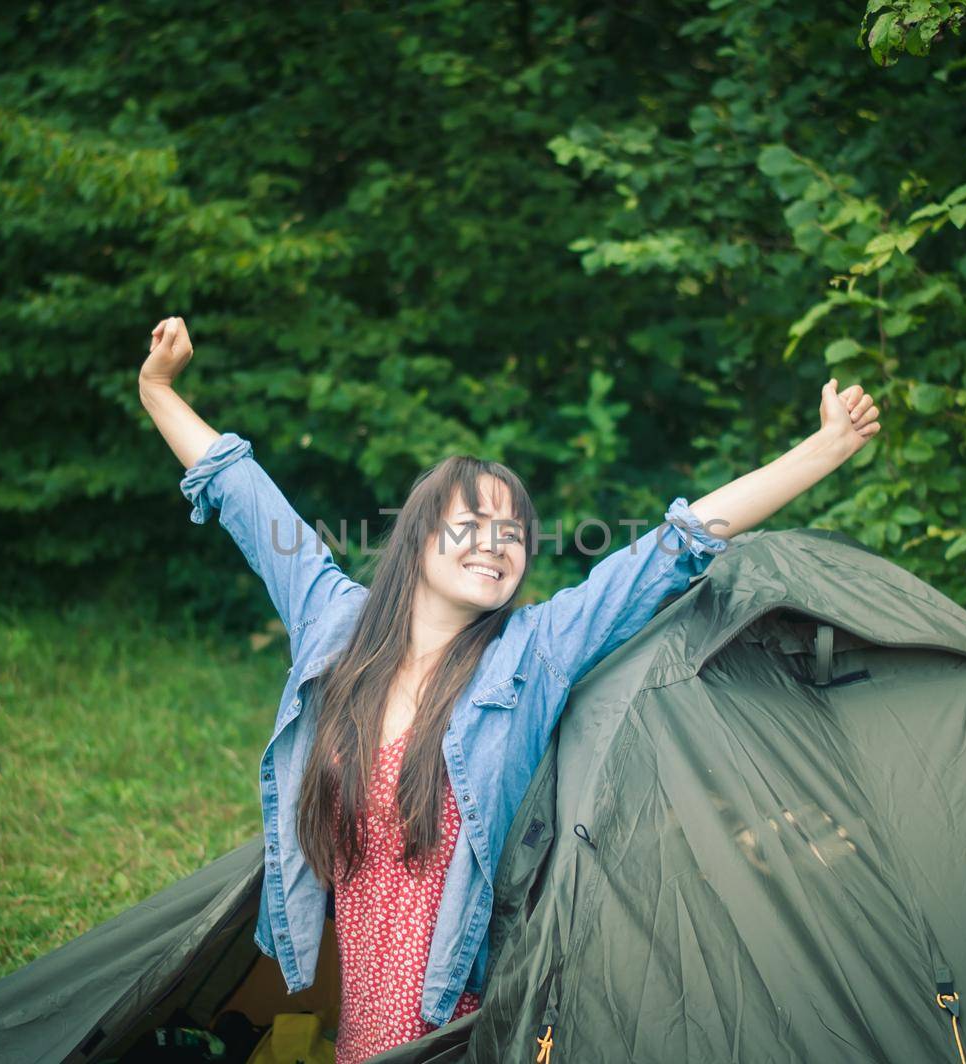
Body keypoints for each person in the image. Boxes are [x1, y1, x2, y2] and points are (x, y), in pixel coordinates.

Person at [137, 316, 880, 1063]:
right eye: (474, 523)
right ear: (418, 536)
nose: (499, 542)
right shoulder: (337, 628)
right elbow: (244, 496)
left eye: (515, 532)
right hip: (361, 1030)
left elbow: (674, 548)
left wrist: (827, 447)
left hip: (477, 1026)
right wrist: (158, 387)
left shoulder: (533, 651)